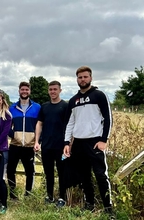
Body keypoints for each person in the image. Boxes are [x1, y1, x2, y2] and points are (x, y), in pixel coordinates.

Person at [63, 66, 114, 216]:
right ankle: (89, 204)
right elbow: (70, 123)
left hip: (95, 142)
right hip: (78, 143)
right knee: (84, 176)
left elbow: (108, 119)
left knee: (101, 175)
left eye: (85, 77)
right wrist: (67, 143)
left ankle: (108, 208)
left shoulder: (99, 95)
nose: (82, 79)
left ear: (90, 78)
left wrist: (104, 140)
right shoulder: (73, 100)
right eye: (80, 77)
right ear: (76, 79)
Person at [34, 81, 68, 207]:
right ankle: (49, 196)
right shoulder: (45, 106)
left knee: (62, 173)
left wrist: (68, 143)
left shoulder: (65, 106)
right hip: (47, 146)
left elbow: (70, 125)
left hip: (61, 146)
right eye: (50, 89)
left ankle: (62, 198)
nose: (52, 91)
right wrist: (37, 141)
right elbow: (39, 123)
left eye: (55, 89)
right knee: (49, 173)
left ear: (60, 90)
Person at [7, 81, 40, 199]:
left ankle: (28, 193)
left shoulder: (37, 107)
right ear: (19, 91)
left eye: (26, 89)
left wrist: (37, 140)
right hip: (15, 144)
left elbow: (40, 125)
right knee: (11, 169)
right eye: (22, 89)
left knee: (30, 171)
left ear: (29, 91)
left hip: (29, 145)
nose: (24, 91)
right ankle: (13, 194)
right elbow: (7, 125)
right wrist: (13, 135)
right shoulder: (12, 108)